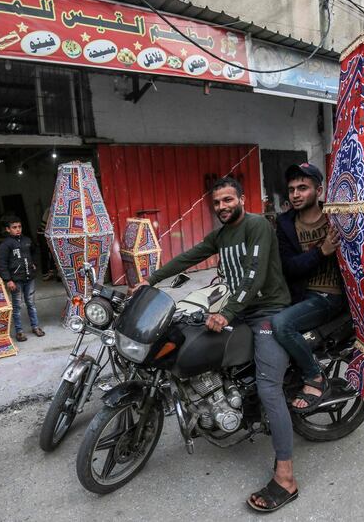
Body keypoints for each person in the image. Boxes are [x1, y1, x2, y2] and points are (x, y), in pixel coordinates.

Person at [132, 176, 299, 512]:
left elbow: (252, 274)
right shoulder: (221, 235)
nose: (222, 207)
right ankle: (223, 402)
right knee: (190, 338)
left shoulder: (258, 226)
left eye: (228, 200)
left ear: (241, 198)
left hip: (267, 310)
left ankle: (286, 478)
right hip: (239, 307)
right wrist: (149, 281)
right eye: (217, 203)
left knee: (270, 388)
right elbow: (188, 257)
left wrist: (227, 312)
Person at [273, 163, 345, 413]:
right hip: (300, 294)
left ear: (319, 190)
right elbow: (289, 267)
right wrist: (321, 252)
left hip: (330, 296)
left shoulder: (336, 217)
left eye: (303, 188)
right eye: (292, 189)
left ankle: (315, 376)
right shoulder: (284, 224)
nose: (295, 194)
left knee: (282, 324)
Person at [0, 216, 44, 342]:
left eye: (19, 227)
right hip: (15, 280)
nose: (18, 229)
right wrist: (8, 280)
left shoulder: (27, 240)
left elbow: (34, 252)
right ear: (8, 229)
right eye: (14, 227)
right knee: (17, 306)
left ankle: (35, 327)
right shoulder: (5, 245)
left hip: (29, 278)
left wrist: (34, 263)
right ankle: (19, 331)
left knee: (31, 304)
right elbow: (2, 264)